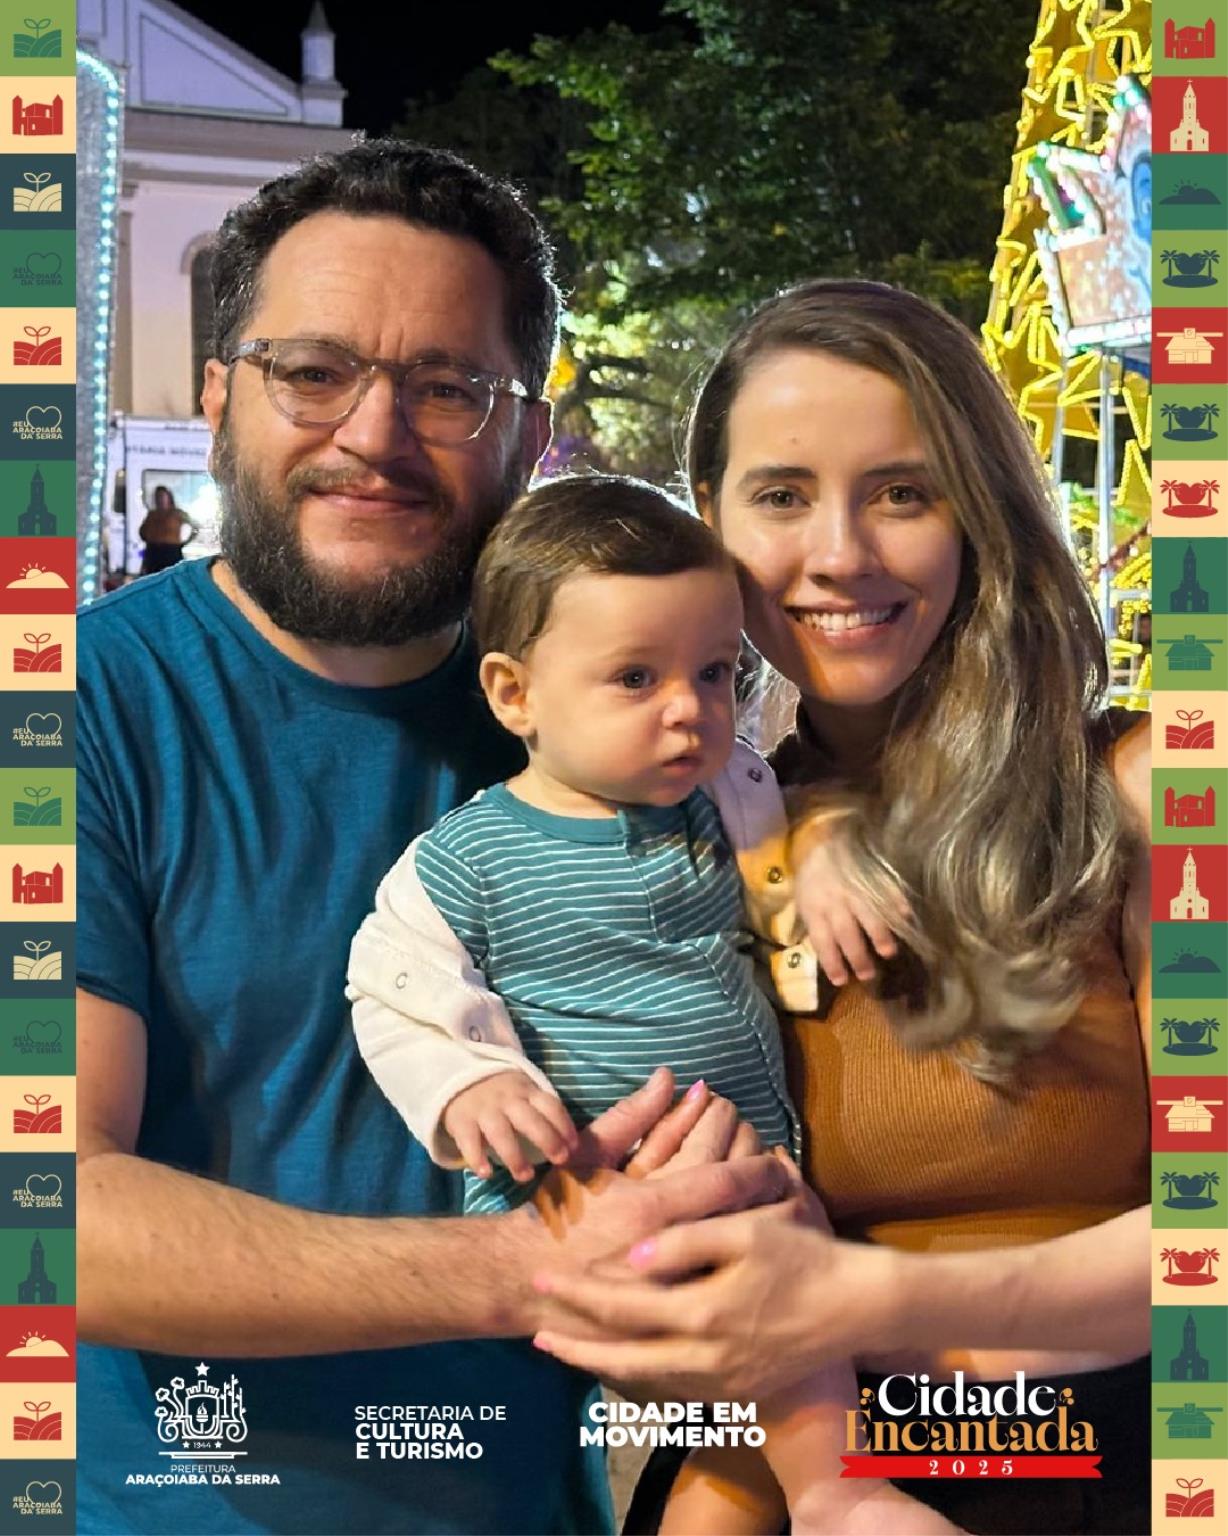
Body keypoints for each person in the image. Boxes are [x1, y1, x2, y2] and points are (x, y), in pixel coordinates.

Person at [75, 139, 789, 1536]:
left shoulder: (639, 712)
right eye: (312, 370)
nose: (374, 434)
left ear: (528, 436)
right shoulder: (75, 711)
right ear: (218, 396)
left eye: (449, 387)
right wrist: (534, 1269)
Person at [529, 280, 1151, 1536]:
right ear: (708, 520)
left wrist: (858, 1305)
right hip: (765, 1456)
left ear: (979, 510)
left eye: (902, 492)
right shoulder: (682, 836)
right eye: (780, 495)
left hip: (1084, 1455)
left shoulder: (1140, 788)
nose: (839, 554)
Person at [347, 472, 956, 1535]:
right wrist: (467, 1085)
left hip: (737, 1162)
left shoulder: (728, 797)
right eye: (636, 678)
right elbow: (390, 987)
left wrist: (817, 867)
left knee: (738, 1406)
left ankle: (814, 1481)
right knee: (776, 1320)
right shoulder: (466, 861)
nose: (691, 710)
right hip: (589, 1189)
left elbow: (786, 862)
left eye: (716, 673)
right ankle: (840, 1492)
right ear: (514, 695)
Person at [138, 484, 198, 574]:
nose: (160, 500)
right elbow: (142, 532)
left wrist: (185, 542)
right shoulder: (152, 515)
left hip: (171, 551)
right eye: (157, 497)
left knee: (171, 575)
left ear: (168, 498)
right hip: (154, 551)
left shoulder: (177, 513)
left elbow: (195, 526)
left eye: (162, 496)